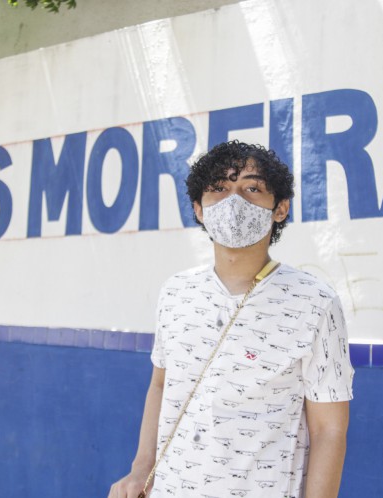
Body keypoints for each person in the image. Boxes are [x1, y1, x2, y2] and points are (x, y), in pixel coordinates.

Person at [109, 141, 354, 498]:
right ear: (199, 209)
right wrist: (140, 470)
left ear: (280, 208)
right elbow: (161, 385)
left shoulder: (315, 302)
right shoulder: (175, 292)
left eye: (252, 189)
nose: (234, 201)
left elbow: (328, 430)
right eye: (219, 188)